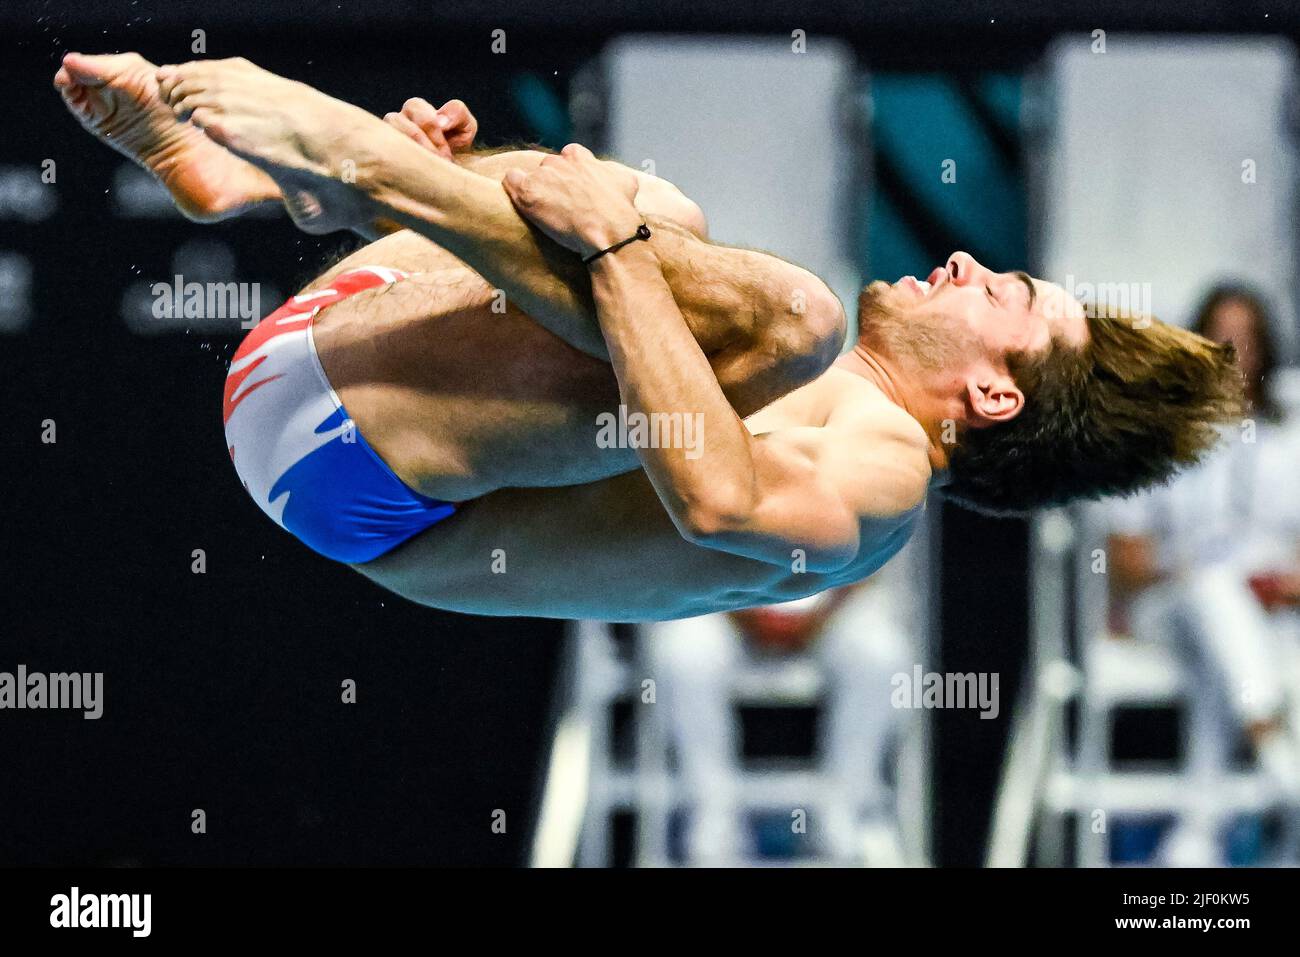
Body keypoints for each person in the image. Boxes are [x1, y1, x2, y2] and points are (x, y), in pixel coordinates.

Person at [57, 52, 1243, 622]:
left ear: (991, 399)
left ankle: (351, 166)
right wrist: (480, 196)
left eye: (1007, 298)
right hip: (337, 348)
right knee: (667, 220)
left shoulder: (878, 488)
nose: (972, 263)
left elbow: (718, 503)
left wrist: (610, 253)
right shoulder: (848, 407)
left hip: (341, 467)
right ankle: (298, 189)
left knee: (783, 310)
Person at [1105, 284, 1300, 866]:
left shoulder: (1289, 439)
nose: (1235, 349)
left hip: (1267, 613)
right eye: (1222, 334)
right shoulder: (1161, 435)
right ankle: (1270, 747)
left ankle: (1202, 830)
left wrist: (1285, 585)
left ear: (1266, 347)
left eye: (1247, 336)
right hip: (1173, 603)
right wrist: (1186, 569)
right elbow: (1127, 559)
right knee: (1214, 590)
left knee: (1230, 643)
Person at [645, 577, 914, 864]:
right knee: (683, 650)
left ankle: (845, 818)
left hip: (832, 611)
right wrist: (745, 611)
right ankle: (711, 819)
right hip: (723, 602)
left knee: (880, 652)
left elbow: (875, 554)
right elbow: (693, 553)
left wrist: (819, 614)